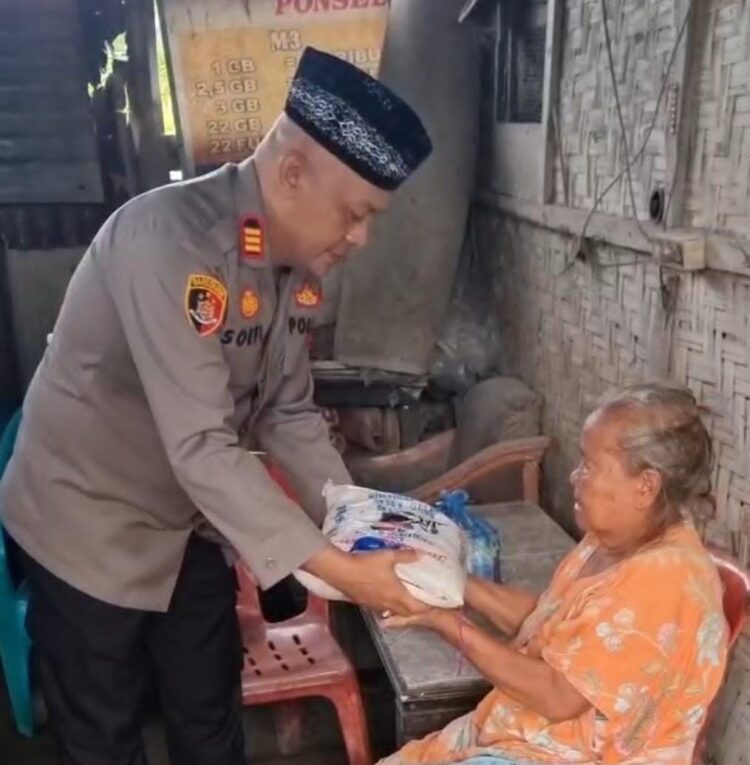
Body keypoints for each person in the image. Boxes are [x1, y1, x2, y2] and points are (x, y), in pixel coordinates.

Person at [0, 47, 432, 765]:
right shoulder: (166, 243)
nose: (362, 237)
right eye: (355, 214)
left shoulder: (291, 267)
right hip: (86, 527)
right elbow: (203, 443)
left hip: (185, 524)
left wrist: (356, 519)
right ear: (292, 172)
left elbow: (286, 411)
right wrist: (340, 568)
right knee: (104, 734)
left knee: (210, 716)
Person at [379, 383, 729, 765]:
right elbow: (548, 616)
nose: (574, 476)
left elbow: (557, 696)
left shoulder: (664, 580)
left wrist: (446, 623)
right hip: (530, 733)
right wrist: (456, 582)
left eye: (590, 466)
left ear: (646, 486)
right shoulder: (610, 541)